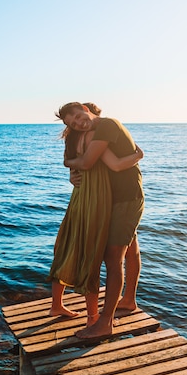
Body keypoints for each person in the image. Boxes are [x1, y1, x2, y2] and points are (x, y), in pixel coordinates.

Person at [48, 103, 143, 328]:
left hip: (123, 197)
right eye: (74, 123)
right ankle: (118, 307)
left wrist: (70, 165)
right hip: (108, 199)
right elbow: (112, 164)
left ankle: (107, 316)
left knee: (116, 255)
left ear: (85, 109)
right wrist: (139, 155)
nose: (80, 123)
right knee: (127, 250)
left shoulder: (106, 126)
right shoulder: (90, 133)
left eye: (80, 117)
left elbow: (102, 164)